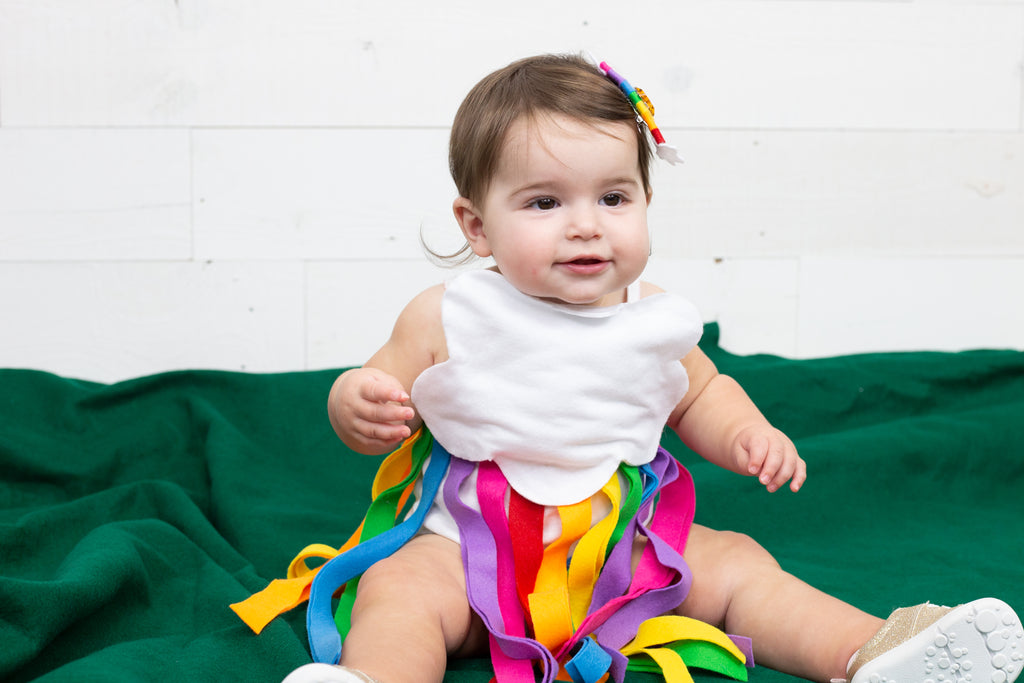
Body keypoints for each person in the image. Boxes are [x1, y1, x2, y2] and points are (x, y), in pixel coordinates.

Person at [237, 54, 1022, 683]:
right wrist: (357, 403)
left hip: (623, 559)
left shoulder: (652, 319)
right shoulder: (447, 316)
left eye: (613, 197)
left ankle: (873, 651)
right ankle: (374, 676)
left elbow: (701, 392)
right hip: (470, 557)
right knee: (399, 590)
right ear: (477, 225)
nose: (586, 226)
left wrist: (746, 431)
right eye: (545, 204)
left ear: (646, 199)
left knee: (738, 562)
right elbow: (374, 387)